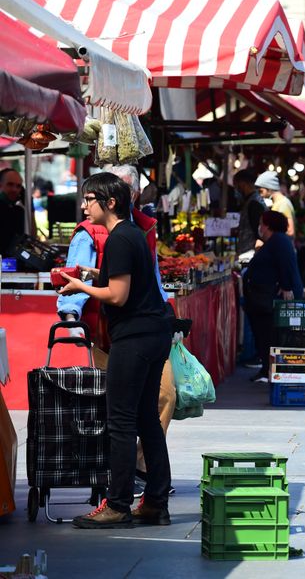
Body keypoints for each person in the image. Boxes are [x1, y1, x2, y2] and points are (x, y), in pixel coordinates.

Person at [58, 173, 172, 528]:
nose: (83, 206)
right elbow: (124, 278)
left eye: (89, 198)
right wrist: (93, 273)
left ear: (110, 202)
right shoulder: (133, 234)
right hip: (153, 333)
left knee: (121, 422)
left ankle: (118, 505)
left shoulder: (120, 238)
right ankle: (154, 501)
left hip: (134, 337)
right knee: (146, 420)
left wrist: (80, 286)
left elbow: (118, 296)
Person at [243, 211, 304, 384]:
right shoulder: (276, 241)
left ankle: (268, 370)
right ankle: (266, 368)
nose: (259, 227)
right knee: (263, 334)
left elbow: (285, 265)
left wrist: (286, 286)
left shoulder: (279, 241)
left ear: (268, 226)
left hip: (268, 299)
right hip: (262, 298)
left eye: (261, 223)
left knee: (267, 334)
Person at [233, 169, 265, 254]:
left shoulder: (254, 203)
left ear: (243, 184)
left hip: (251, 254)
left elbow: (259, 232)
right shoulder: (250, 201)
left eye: (236, 185)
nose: (236, 189)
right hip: (247, 253)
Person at [257, 171, 295, 238]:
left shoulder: (283, 204)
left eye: (261, 191)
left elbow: (290, 231)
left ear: (269, 189)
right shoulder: (278, 203)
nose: (260, 194)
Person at [0, 168, 24, 257]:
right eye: (10, 184)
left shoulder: (18, 211)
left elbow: (31, 237)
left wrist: (30, 209)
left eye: (18, 186)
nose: (14, 189)